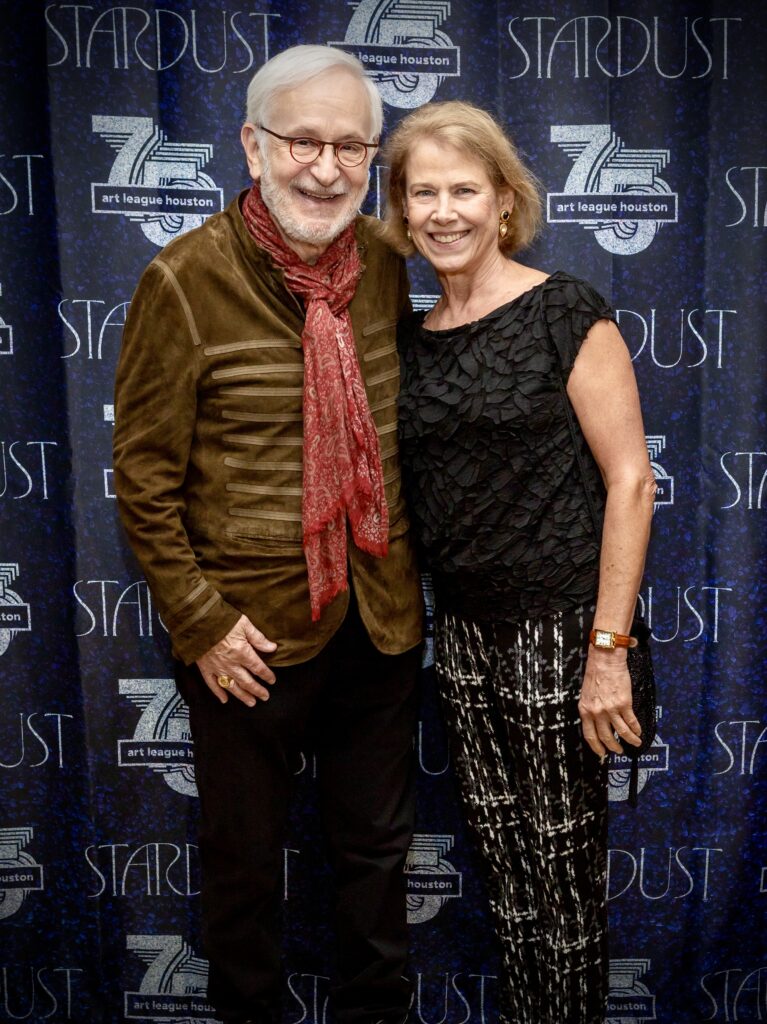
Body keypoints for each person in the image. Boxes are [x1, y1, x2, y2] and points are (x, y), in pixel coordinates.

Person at [113, 45, 423, 1024]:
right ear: (252, 144)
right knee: (244, 879)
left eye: (349, 146)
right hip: (243, 642)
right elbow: (144, 479)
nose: (326, 167)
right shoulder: (181, 280)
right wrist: (201, 621)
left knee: (375, 870)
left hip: (376, 619)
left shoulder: (383, 261)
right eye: (302, 141)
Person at [382, 101, 656, 1024]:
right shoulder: (409, 342)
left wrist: (606, 651)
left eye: (465, 189)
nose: (445, 211)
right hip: (461, 639)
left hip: (563, 632)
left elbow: (629, 481)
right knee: (505, 881)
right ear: (401, 211)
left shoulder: (562, 310)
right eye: (425, 193)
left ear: (504, 201)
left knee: (563, 890)